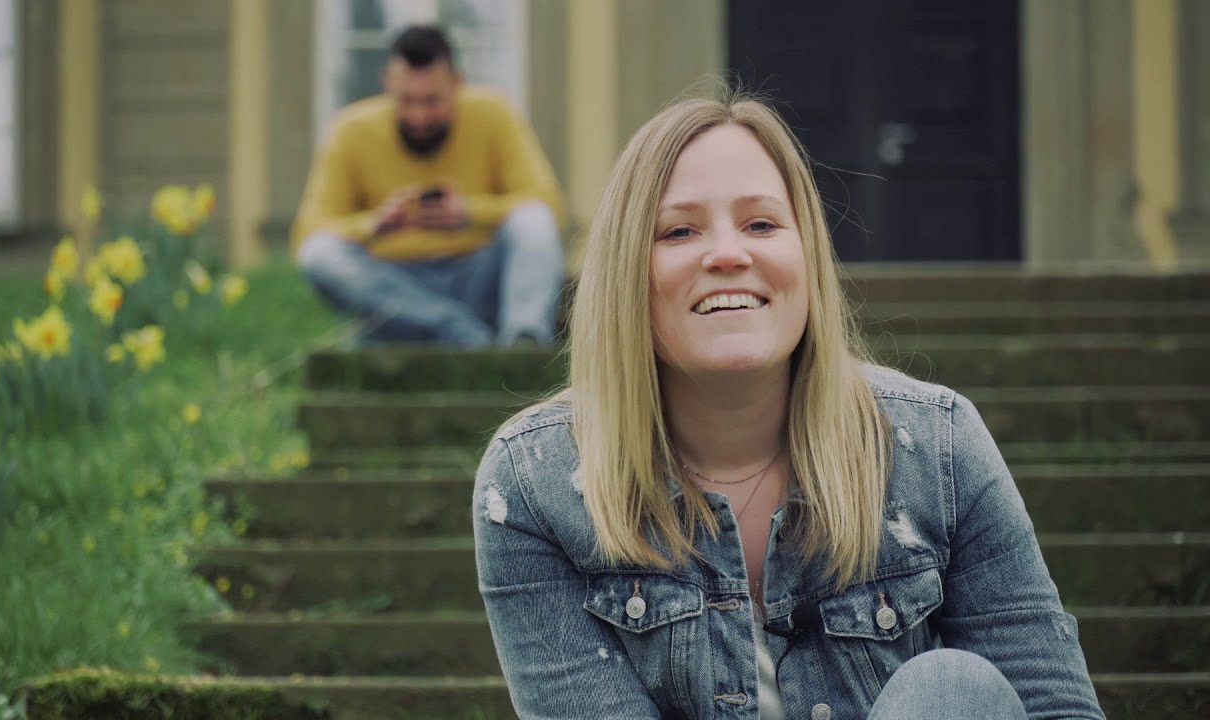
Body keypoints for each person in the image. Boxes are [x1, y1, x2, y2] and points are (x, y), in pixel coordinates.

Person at [472, 90, 1105, 719]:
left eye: (762, 224)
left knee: (950, 689)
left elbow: (1054, 707)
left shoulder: (936, 446)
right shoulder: (536, 484)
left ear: (807, 256)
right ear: (624, 272)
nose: (728, 254)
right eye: (679, 230)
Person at [291, 25, 565, 347]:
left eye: (432, 101)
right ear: (387, 84)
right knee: (320, 253)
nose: (419, 116)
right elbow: (308, 233)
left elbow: (549, 205)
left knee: (534, 219)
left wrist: (468, 213)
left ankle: (523, 343)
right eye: (407, 100)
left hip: (478, 276)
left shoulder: (494, 113)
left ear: (457, 83)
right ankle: (457, 332)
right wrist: (375, 225)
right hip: (396, 289)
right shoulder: (350, 130)